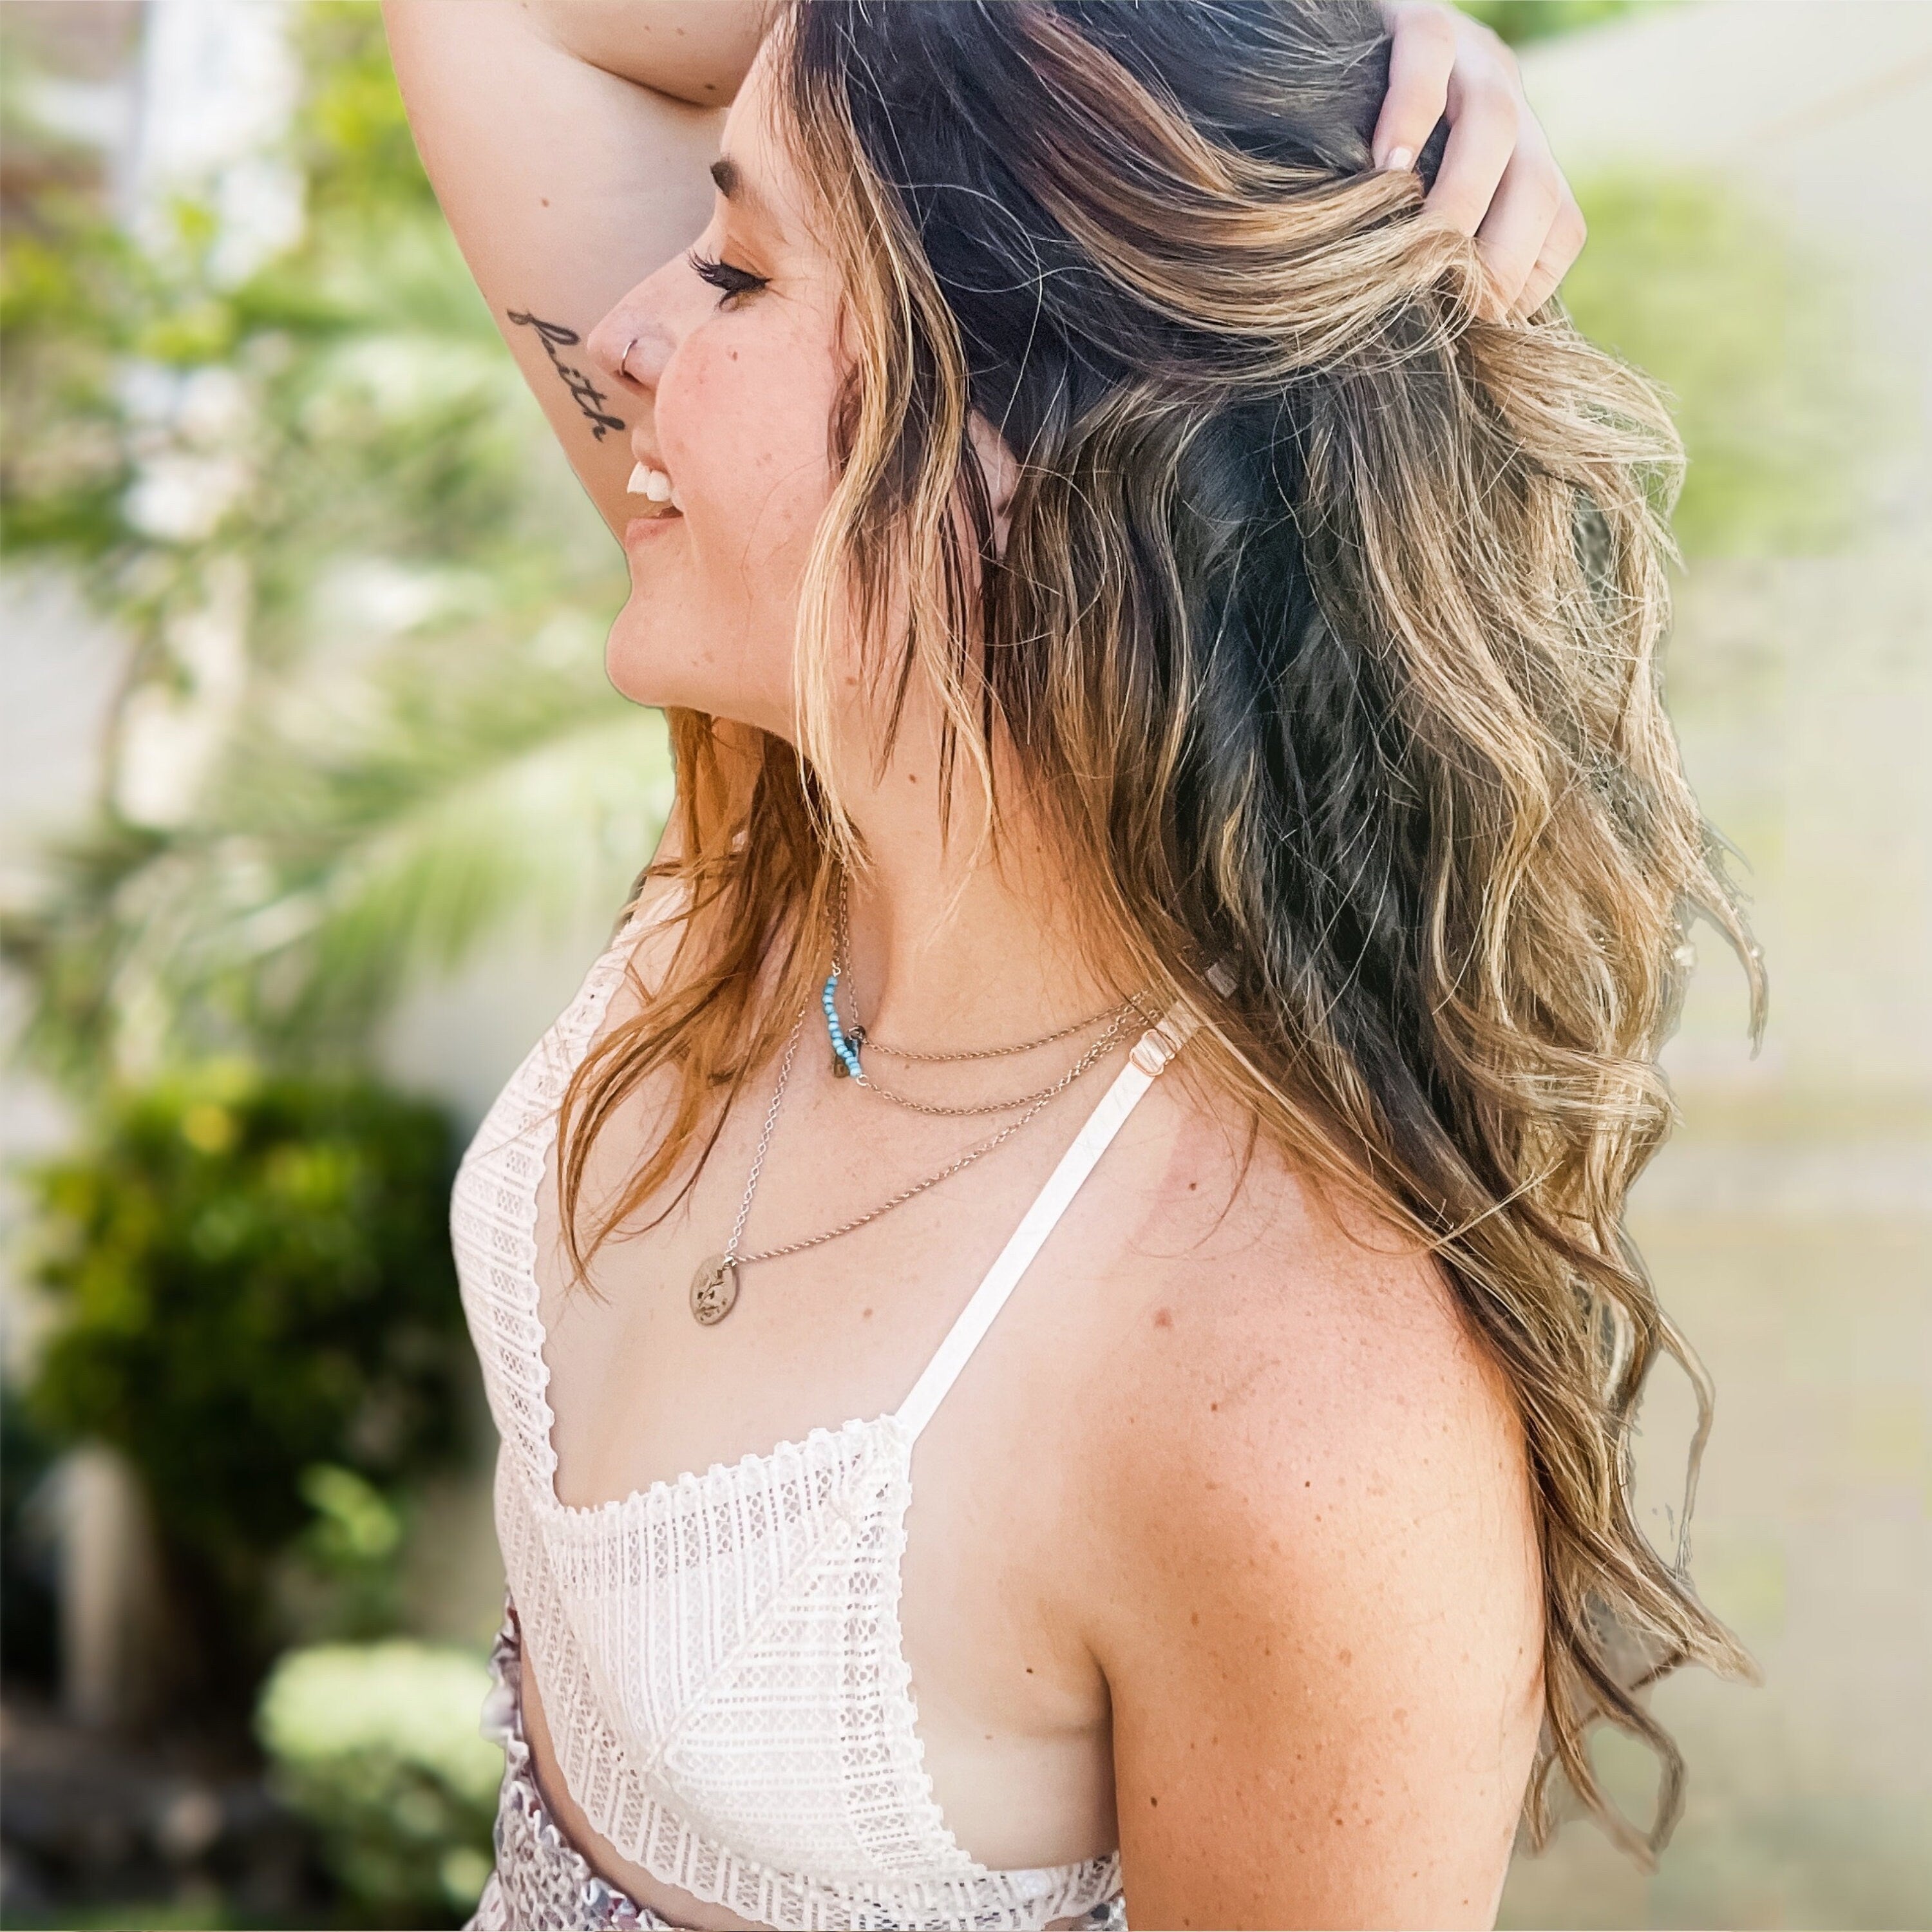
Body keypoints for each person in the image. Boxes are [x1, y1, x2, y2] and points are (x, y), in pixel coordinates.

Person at [383, 3, 1755, 1927]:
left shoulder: (1296, 1405)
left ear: (1019, 462)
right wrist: (1306, 45)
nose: (627, 337)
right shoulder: (790, 803)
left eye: (743, 270)